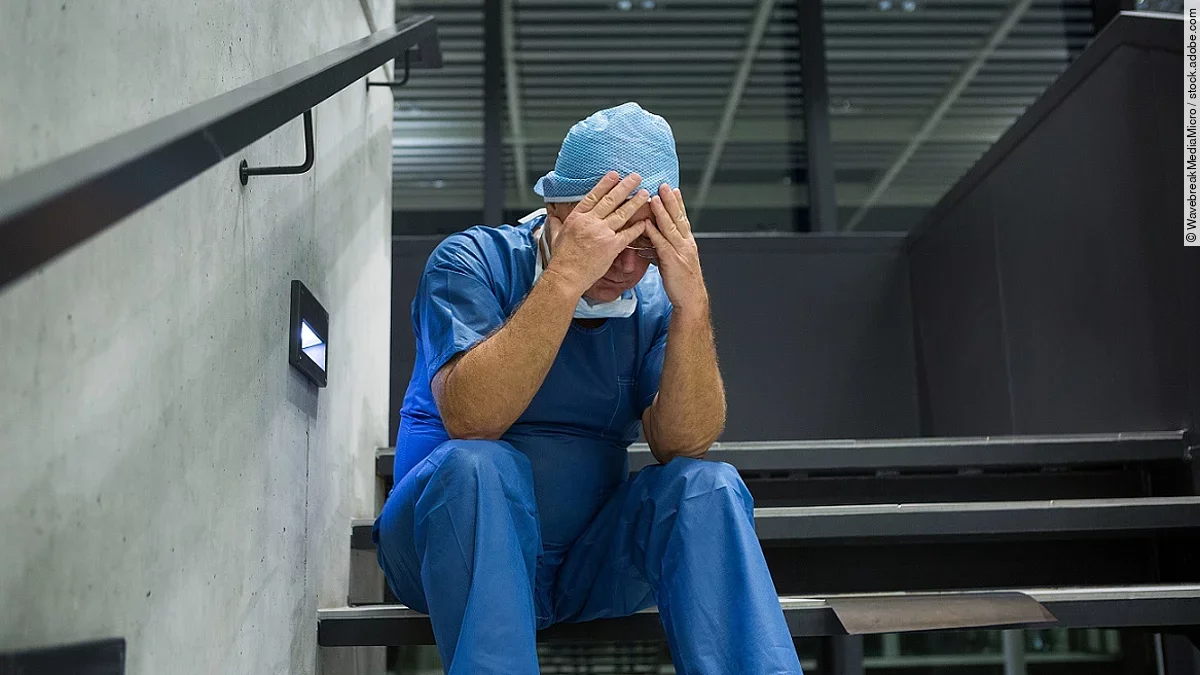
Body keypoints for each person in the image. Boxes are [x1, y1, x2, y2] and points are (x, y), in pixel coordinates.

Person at [373, 102, 802, 675]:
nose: (625, 264)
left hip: (587, 566)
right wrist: (567, 276)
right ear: (555, 208)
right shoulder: (471, 262)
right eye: (609, 233)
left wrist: (691, 307)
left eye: (645, 243)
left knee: (707, 483)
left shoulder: (652, 303)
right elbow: (473, 421)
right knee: (477, 465)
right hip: (443, 551)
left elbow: (684, 443)